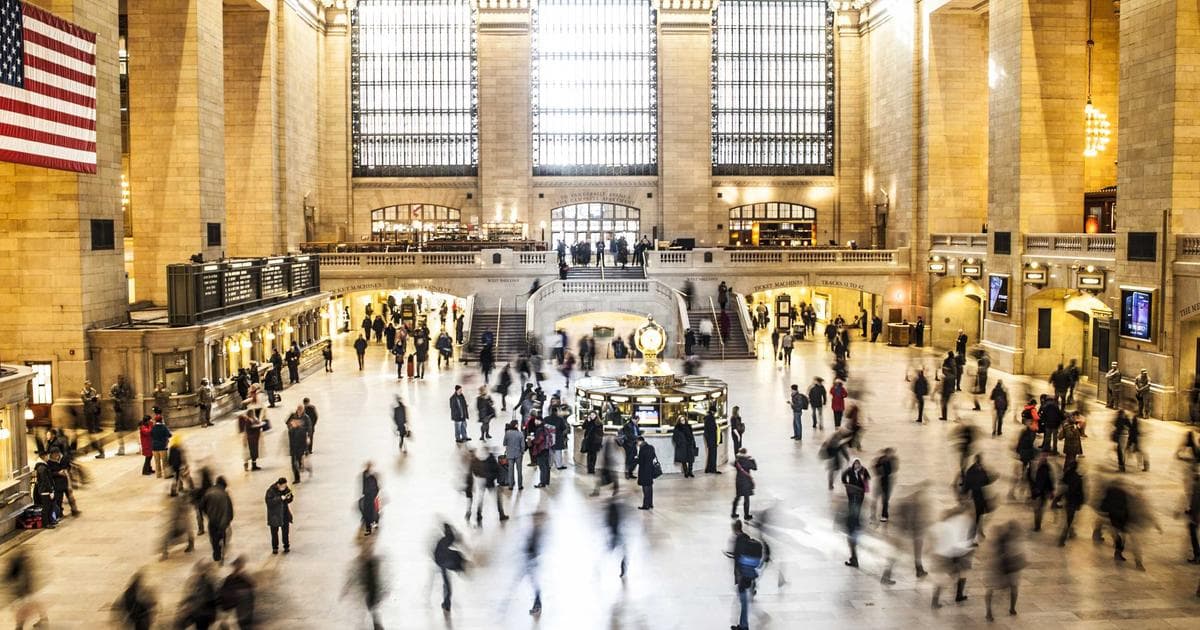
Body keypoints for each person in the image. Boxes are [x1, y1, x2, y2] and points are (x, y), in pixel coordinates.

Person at [727, 519, 765, 630]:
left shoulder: (738, 540)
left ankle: (744, 626)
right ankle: (743, 624)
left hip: (743, 576)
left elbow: (737, 560)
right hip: (749, 574)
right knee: (743, 601)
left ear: (734, 529)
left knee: (743, 602)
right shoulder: (746, 537)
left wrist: (737, 577)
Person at [984, 520, 1025, 621]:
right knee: (1011, 587)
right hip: (1003, 567)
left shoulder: (1012, 540)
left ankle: (1009, 609)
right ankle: (996, 611)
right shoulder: (1007, 540)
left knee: (1008, 587)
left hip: (1005, 568)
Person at [842, 458, 870, 567]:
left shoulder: (863, 470)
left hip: (860, 492)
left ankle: (854, 560)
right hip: (852, 491)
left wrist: (864, 481)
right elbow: (843, 476)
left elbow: (868, 478)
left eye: (858, 463)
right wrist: (847, 484)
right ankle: (853, 559)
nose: (857, 465)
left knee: (857, 506)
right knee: (852, 505)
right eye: (855, 463)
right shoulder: (849, 470)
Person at [433, 523, 467, 611]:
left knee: (446, 582)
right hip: (444, 560)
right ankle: (446, 603)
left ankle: (446, 603)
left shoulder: (444, 540)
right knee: (447, 583)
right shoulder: (449, 538)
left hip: (440, 560)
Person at [961, 454, 996, 540]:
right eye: (979, 463)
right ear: (976, 462)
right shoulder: (971, 471)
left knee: (980, 515)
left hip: (981, 495)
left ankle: (978, 532)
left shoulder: (981, 470)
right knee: (976, 517)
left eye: (980, 463)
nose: (980, 464)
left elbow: (986, 481)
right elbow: (967, 483)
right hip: (975, 497)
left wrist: (993, 478)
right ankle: (971, 537)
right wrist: (964, 494)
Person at [200, 477, 234, 563]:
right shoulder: (225, 494)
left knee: (214, 538)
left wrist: (207, 514)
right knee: (223, 536)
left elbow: (201, 506)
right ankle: (222, 552)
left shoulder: (209, 492)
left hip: (213, 520)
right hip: (223, 521)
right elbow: (230, 508)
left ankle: (216, 554)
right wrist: (229, 519)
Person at [177, 561, 219, 630]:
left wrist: (213, 615)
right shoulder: (194, 580)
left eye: (201, 570)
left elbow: (212, 600)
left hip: (202, 614)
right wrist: (183, 604)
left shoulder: (209, 583)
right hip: (197, 612)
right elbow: (189, 595)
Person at [218, 556, 256, 629]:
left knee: (242, 624)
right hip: (236, 608)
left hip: (240, 609)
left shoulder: (242, 577)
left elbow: (252, 586)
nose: (237, 567)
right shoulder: (230, 578)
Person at [265, 478, 294, 554]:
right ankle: (275, 548)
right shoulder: (270, 491)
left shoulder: (286, 489)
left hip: (284, 514)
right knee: (274, 533)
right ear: (278, 485)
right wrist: (280, 498)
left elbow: (290, 497)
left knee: (285, 532)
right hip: (274, 515)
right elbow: (269, 502)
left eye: (285, 486)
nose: (284, 487)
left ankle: (286, 546)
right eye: (283, 486)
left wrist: (289, 497)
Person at [110, 375, 137, 456]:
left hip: (125, 407)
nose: (121, 380)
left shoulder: (126, 387)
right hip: (118, 407)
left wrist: (124, 399)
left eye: (122, 379)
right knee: (118, 424)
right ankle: (119, 427)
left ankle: (125, 426)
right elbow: (110, 394)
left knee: (126, 422)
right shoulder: (114, 386)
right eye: (120, 379)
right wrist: (115, 399)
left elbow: (129, 395)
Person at [1030, 453, 1054, 532]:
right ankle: (1037, 525)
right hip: (1042, 492)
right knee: (1038, 509)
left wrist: (1037, 491)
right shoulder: (1045, 468)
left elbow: (1044, 481)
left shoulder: (1043, 469)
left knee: (1038, 510)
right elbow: (1050, 480)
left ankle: (1037, 525)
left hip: (1041, 492)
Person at [731, 448, 757, 520]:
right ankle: (746, 515)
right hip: (746, 481)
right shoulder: (748, 461)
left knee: (737, 497)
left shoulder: (737, 461)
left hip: (738, 481)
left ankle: (733, 513)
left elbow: (732, 463)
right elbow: (755, 467)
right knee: (746, 499)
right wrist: (752, 459)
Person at [873, 448, 897, 522]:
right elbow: (875, 467)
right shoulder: (881, 459)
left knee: (885, 499)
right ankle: (877, 514)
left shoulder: (893, 460)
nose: (888, 455)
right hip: (881, 481)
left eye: (890, 453)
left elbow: (894, 469)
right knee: (878, 498)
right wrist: (878, 472)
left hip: (888, 481)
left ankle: (884, 515)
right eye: (887, 453)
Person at [635, 436, 659, 510]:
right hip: (650, 470)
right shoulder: (651, 447)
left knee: (645, 488)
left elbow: (641, 461)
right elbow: (654, 457)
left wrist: (636, 459)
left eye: (637, 442)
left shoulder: (642, 449)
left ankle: (646, 505)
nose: (637, 444)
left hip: (644, 471)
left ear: (640, 441)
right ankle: (650, 503)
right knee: (650, 487)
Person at [530, 417, 554, 488]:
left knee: (542, 466)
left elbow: (540, 439)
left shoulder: (540, 429)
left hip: (540, 449)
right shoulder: (545, 427)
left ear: (539, 421)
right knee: (546, 466)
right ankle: (546, 481)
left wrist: (533, 440)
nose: (535, 422)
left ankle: (542, 482)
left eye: (536, 420)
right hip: (546, 449)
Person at [503, 421, 525, 489]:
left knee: (510, 470)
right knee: (519, 470)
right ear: (516, 425)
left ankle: (510, 485)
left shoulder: (507, 433)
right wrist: (522, 452)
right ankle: (520, 485)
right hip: (518, 454)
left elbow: (504, 443)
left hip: (510, 454)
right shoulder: (520, 434)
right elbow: (523, 445)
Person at [360, 462, 380, 535]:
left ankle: (373, 523)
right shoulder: (365, 474)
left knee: (372, 511)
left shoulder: (372, 476)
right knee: (368, 511)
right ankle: (369, 526)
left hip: (371, 497)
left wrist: (374, 495)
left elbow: (377, 487)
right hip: (367, 496)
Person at [703, 408, 721, 474]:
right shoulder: (710, 418)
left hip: (710, 440)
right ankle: (713, 469)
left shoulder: (708, 418)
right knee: (713, 455)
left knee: (711, 455)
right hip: (712, 439)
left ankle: (708, 469)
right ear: (713, 411)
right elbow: (711, 430)